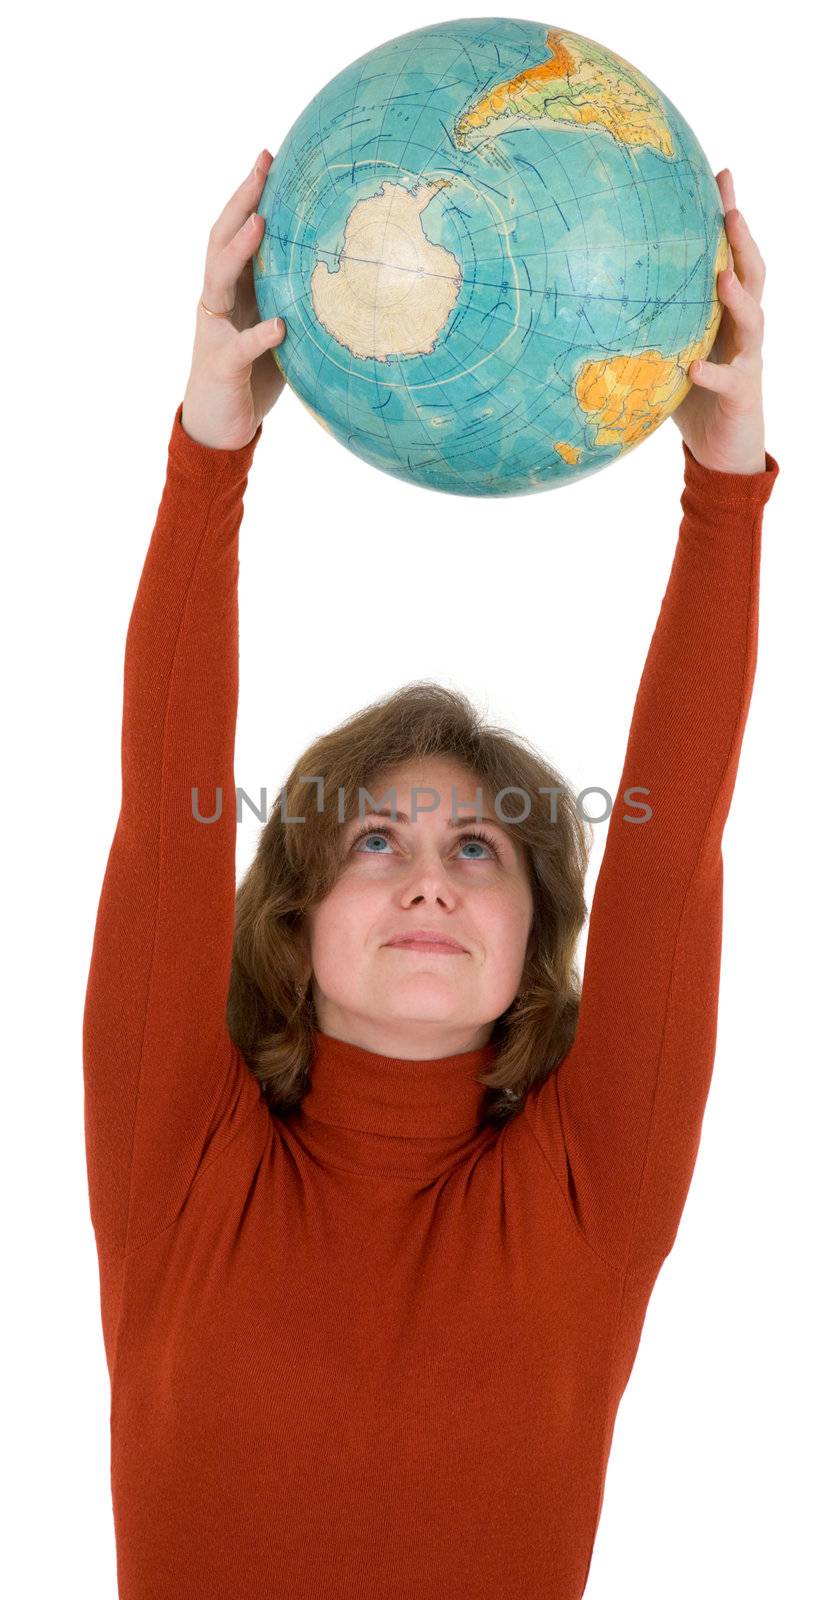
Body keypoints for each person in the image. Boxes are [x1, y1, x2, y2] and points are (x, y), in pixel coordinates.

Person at [82, 149, 779, 1599]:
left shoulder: (596, 1189)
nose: (428, 881)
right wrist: (210, 446)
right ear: (290, 920)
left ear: (539, 938)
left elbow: (674, 841)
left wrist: (726, 486)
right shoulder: (181, 1162)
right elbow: (167, 814)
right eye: (374, 843)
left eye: (478, 848)